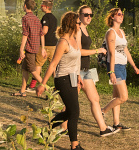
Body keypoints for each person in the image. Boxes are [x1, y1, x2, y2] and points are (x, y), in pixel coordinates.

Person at [38, 11, 105, 150]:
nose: (80, 25)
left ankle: (47, 129)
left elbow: (76, 60)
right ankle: (75, 145)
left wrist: (79, 76)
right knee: (74, 112)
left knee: (70, 111)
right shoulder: (63, 42)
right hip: (62, 79)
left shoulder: (74, 39)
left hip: (73, 78)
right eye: (78, 23)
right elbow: (53, 65)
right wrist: (43, 84)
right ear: (72, 24)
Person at [77, 4, 118, 137]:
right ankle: (59, 127)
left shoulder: (85, 29)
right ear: (79, 15)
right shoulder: (77, 30)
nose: (89, 17)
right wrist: (97, 50)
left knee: (95, 98)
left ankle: (103, 128)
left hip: (86, 69)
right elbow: (78, 51)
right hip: (77, 70)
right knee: (71, 103)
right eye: (86, 15)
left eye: (91, 15)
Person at [101, 7, 139, 131]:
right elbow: (112, 53)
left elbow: (125, 50)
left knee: (116, 96)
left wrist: (134, 65)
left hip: (122, 66)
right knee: (123, 97)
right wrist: (112, 72)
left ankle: (116, 123)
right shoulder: (111, 32)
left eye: (122, 14)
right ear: (112, 17)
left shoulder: (121, 32)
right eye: (119, 14)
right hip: (115, 67)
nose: (121, 16)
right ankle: (102, 111)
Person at [15, 0, 46, 96]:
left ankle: (47, 89)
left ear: (25, 6)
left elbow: (25, 34)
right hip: (36, 47)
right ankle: (22, 91)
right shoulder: (36, 18)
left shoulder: (25, 18)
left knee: (33, 71)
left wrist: (21, 49)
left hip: (29, 48)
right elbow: (41, 34)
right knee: (25, 69)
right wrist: (43, 48)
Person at [38, 0, 57, 89]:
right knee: (53, 66)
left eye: (42, 6)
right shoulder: (54, 18)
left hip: (45, 44)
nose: (40, 7)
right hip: (54, 44)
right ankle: (57, 85)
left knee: (38, 65)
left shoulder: (45, 17)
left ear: (46, 7)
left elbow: (44, 31)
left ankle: (37, 85)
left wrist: (37, 34)